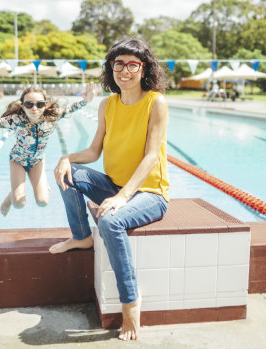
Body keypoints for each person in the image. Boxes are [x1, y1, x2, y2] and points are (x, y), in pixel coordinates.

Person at [50, 38, 170, 341]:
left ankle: (130, 302)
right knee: (69, 173)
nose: (125, 71)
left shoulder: (156, 102)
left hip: (149, 194)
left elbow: (151, 156)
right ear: (111, 68)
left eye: (132, 64)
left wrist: (121, 197)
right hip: (115, 186)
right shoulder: (108, 104)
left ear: (144, 69)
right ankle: (81, 237)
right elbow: (93, 151)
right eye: (119, 64)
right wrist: (66, 158)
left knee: (110, 220)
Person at [0, 83, 95, 216]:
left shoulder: (51, 117)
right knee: (18, 203)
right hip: (17, 161)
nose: (34, 108)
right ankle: (13, 195)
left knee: (43, 201)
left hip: (37, 162)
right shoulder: (16, 120)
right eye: (29, 104)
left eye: (39, 104)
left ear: (45, 105)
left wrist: (87, 100)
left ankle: (28, 189)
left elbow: (71, 108)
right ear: (22, 106)